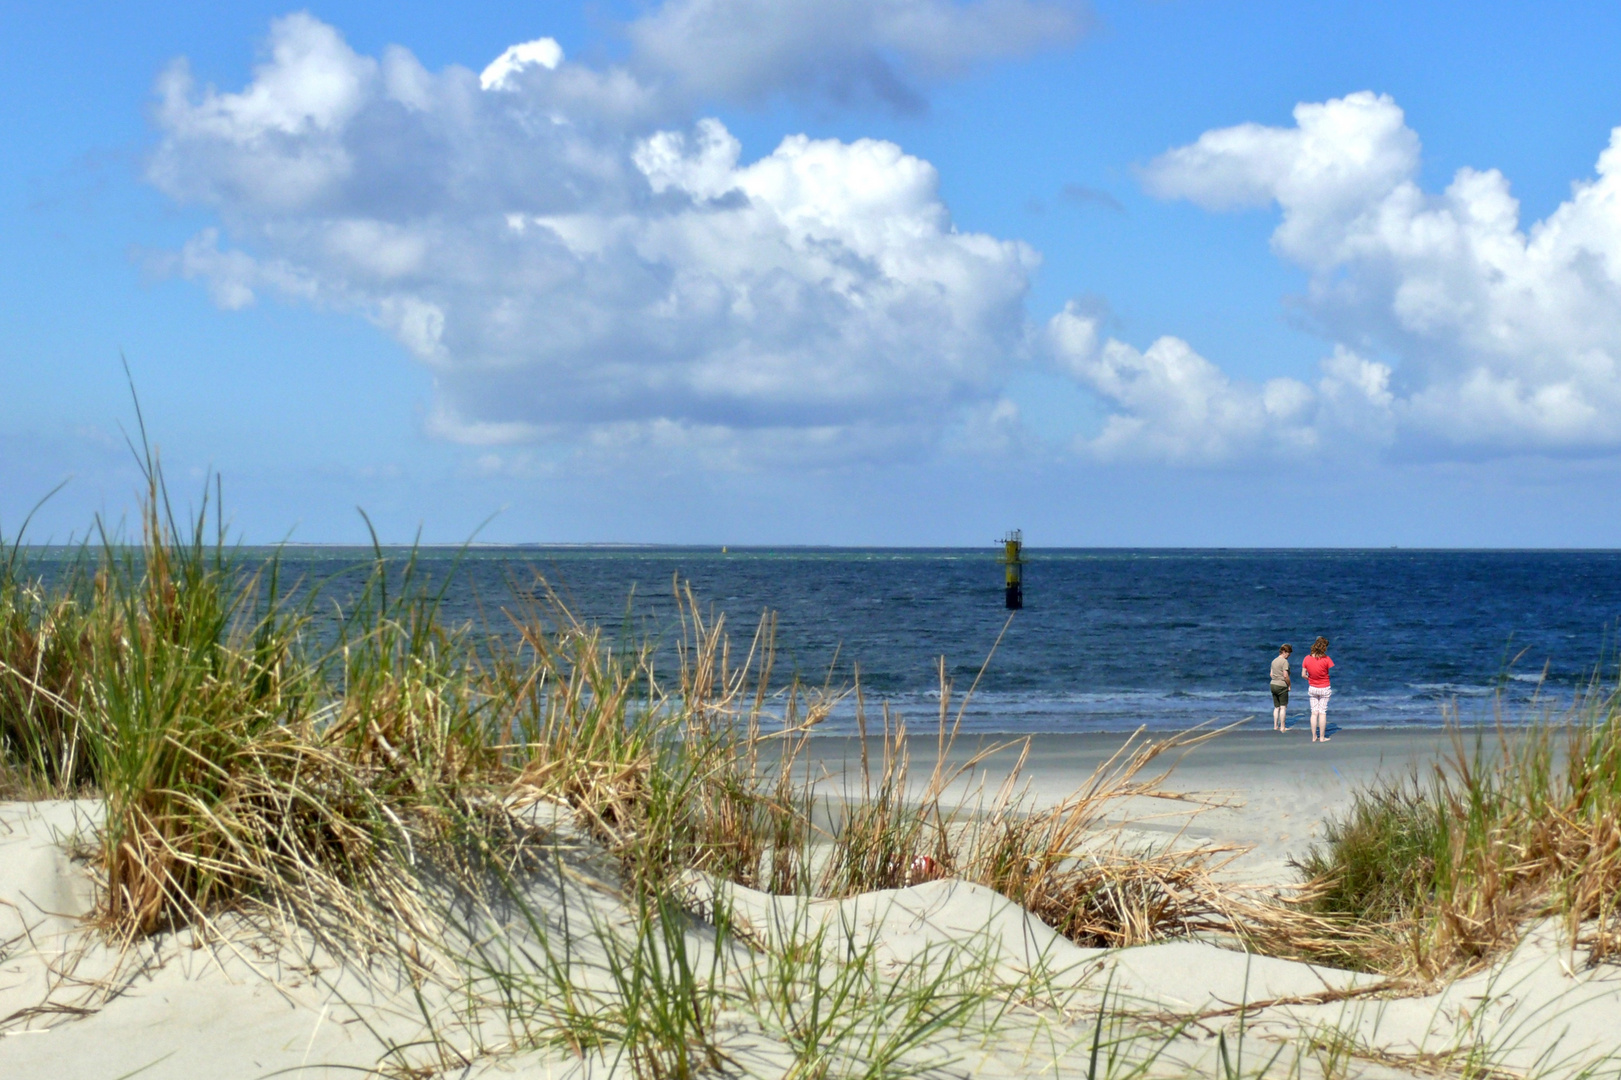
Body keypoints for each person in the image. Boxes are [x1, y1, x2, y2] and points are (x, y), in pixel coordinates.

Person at [1302, 636, 1334, 743]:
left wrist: (1310, 678)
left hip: (1313, 687)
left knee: (1314, 712)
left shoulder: (1307, 658)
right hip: (1324, 687)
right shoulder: (1326, 659)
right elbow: (1328, 671)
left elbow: (1303, 674)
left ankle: (1314, 736)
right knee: (1322, 712)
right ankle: (1322, 737)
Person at [1270, 644, 1292, 731]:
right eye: (1288, 653)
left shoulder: (1274, 661)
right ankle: (1282, 727)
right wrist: (1289, 685)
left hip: (1273, 684)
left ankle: (1275, 725)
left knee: (1276, 707)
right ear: (1284, 652)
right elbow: (1285, 675)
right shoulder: (1284, 662)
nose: (1288, 655)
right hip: (1281, 685)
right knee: (1283, 707)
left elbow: (1271, 674)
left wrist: (1276, 679)